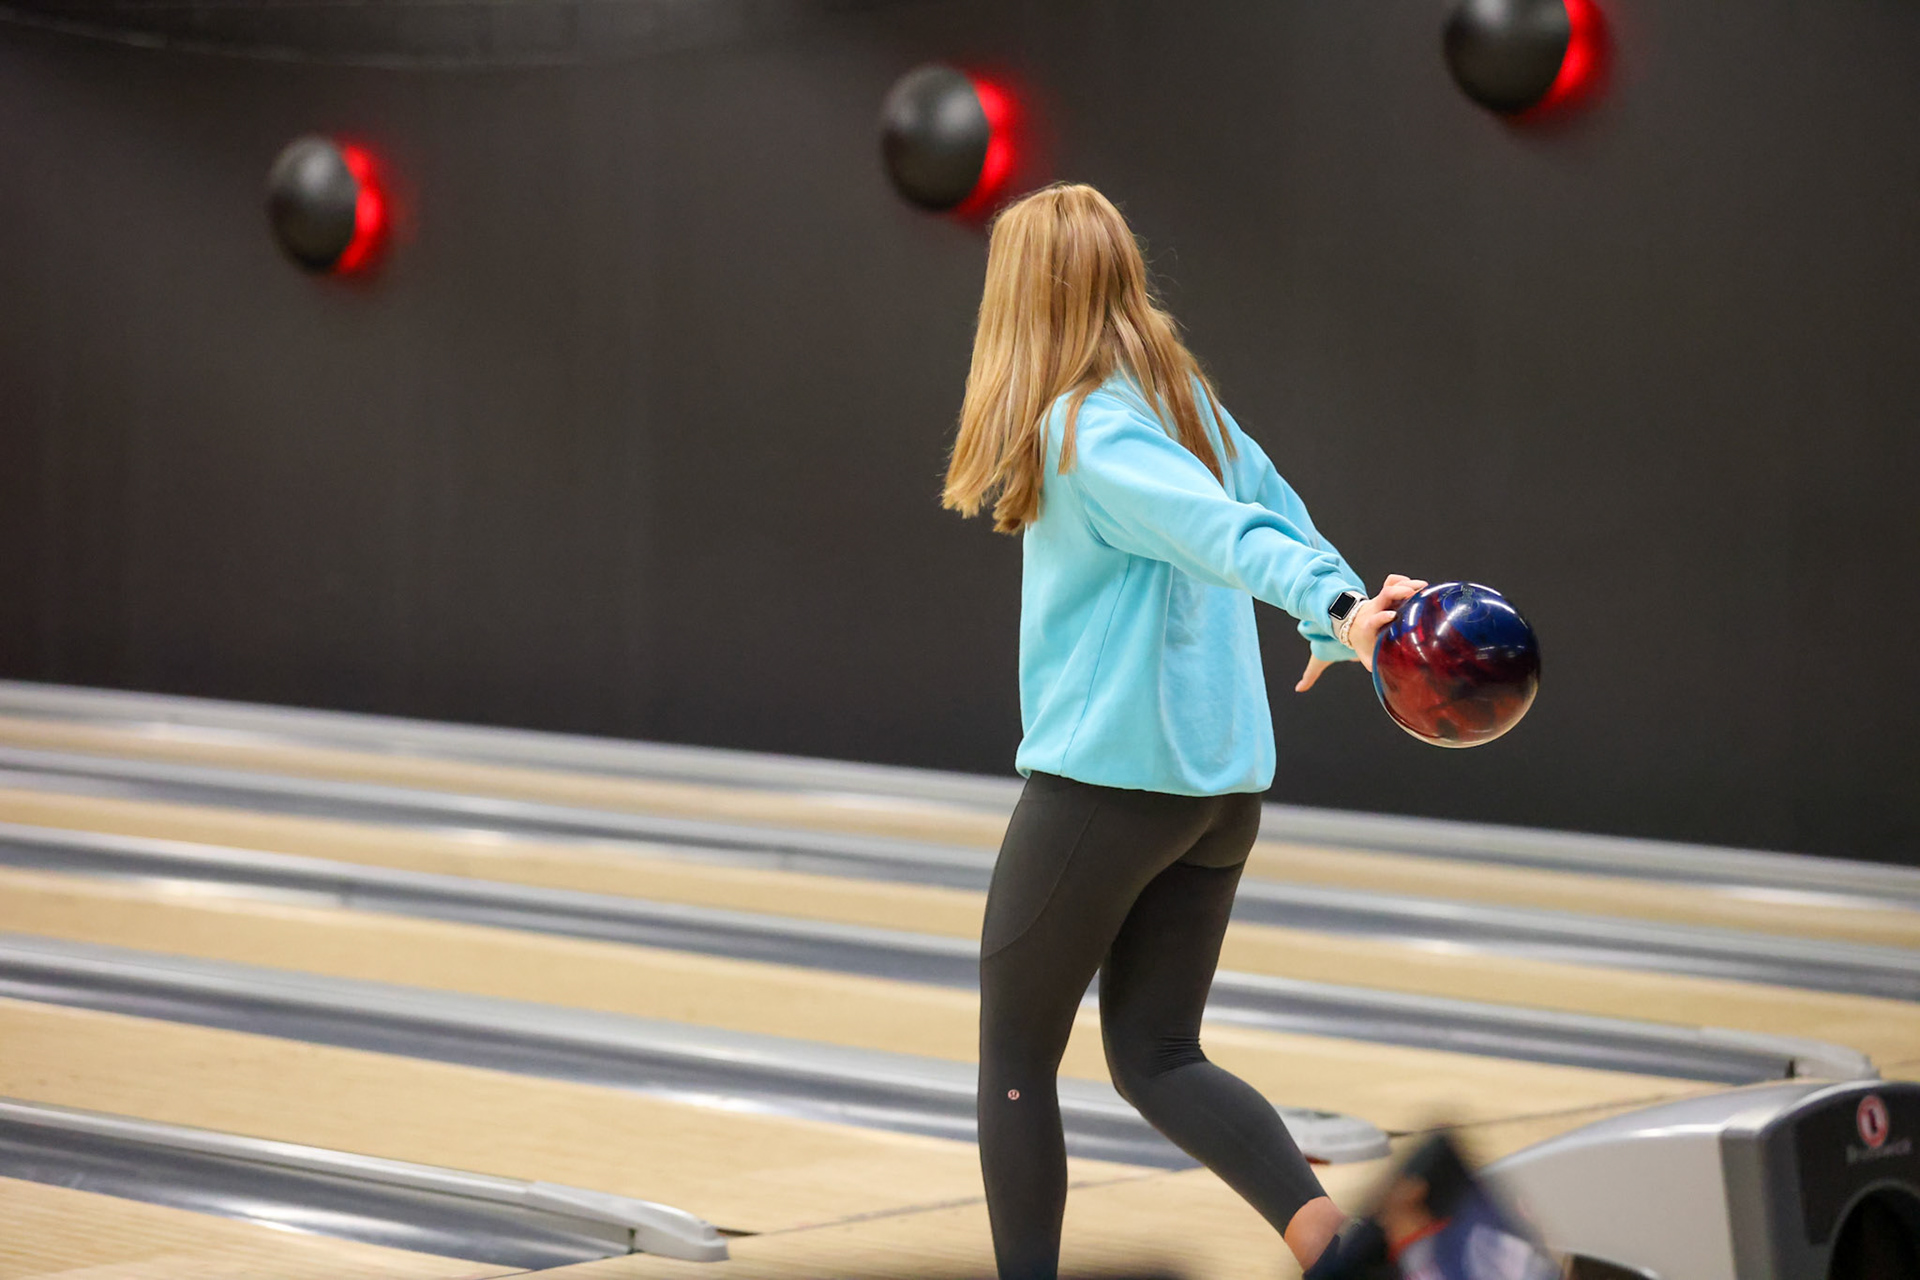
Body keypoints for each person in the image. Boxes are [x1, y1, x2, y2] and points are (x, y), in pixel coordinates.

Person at [941, 182, 1425, 1279]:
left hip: (1104, 790)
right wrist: (1342, 608)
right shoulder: (1182, 401)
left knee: (1016, 1057)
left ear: (1021, 295)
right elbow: (1271, 515)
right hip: (1218, 796)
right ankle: (1334, 1249)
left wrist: (1342, 614)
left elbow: (1226, 529)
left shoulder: (1082, 427)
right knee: (1156, 1053)